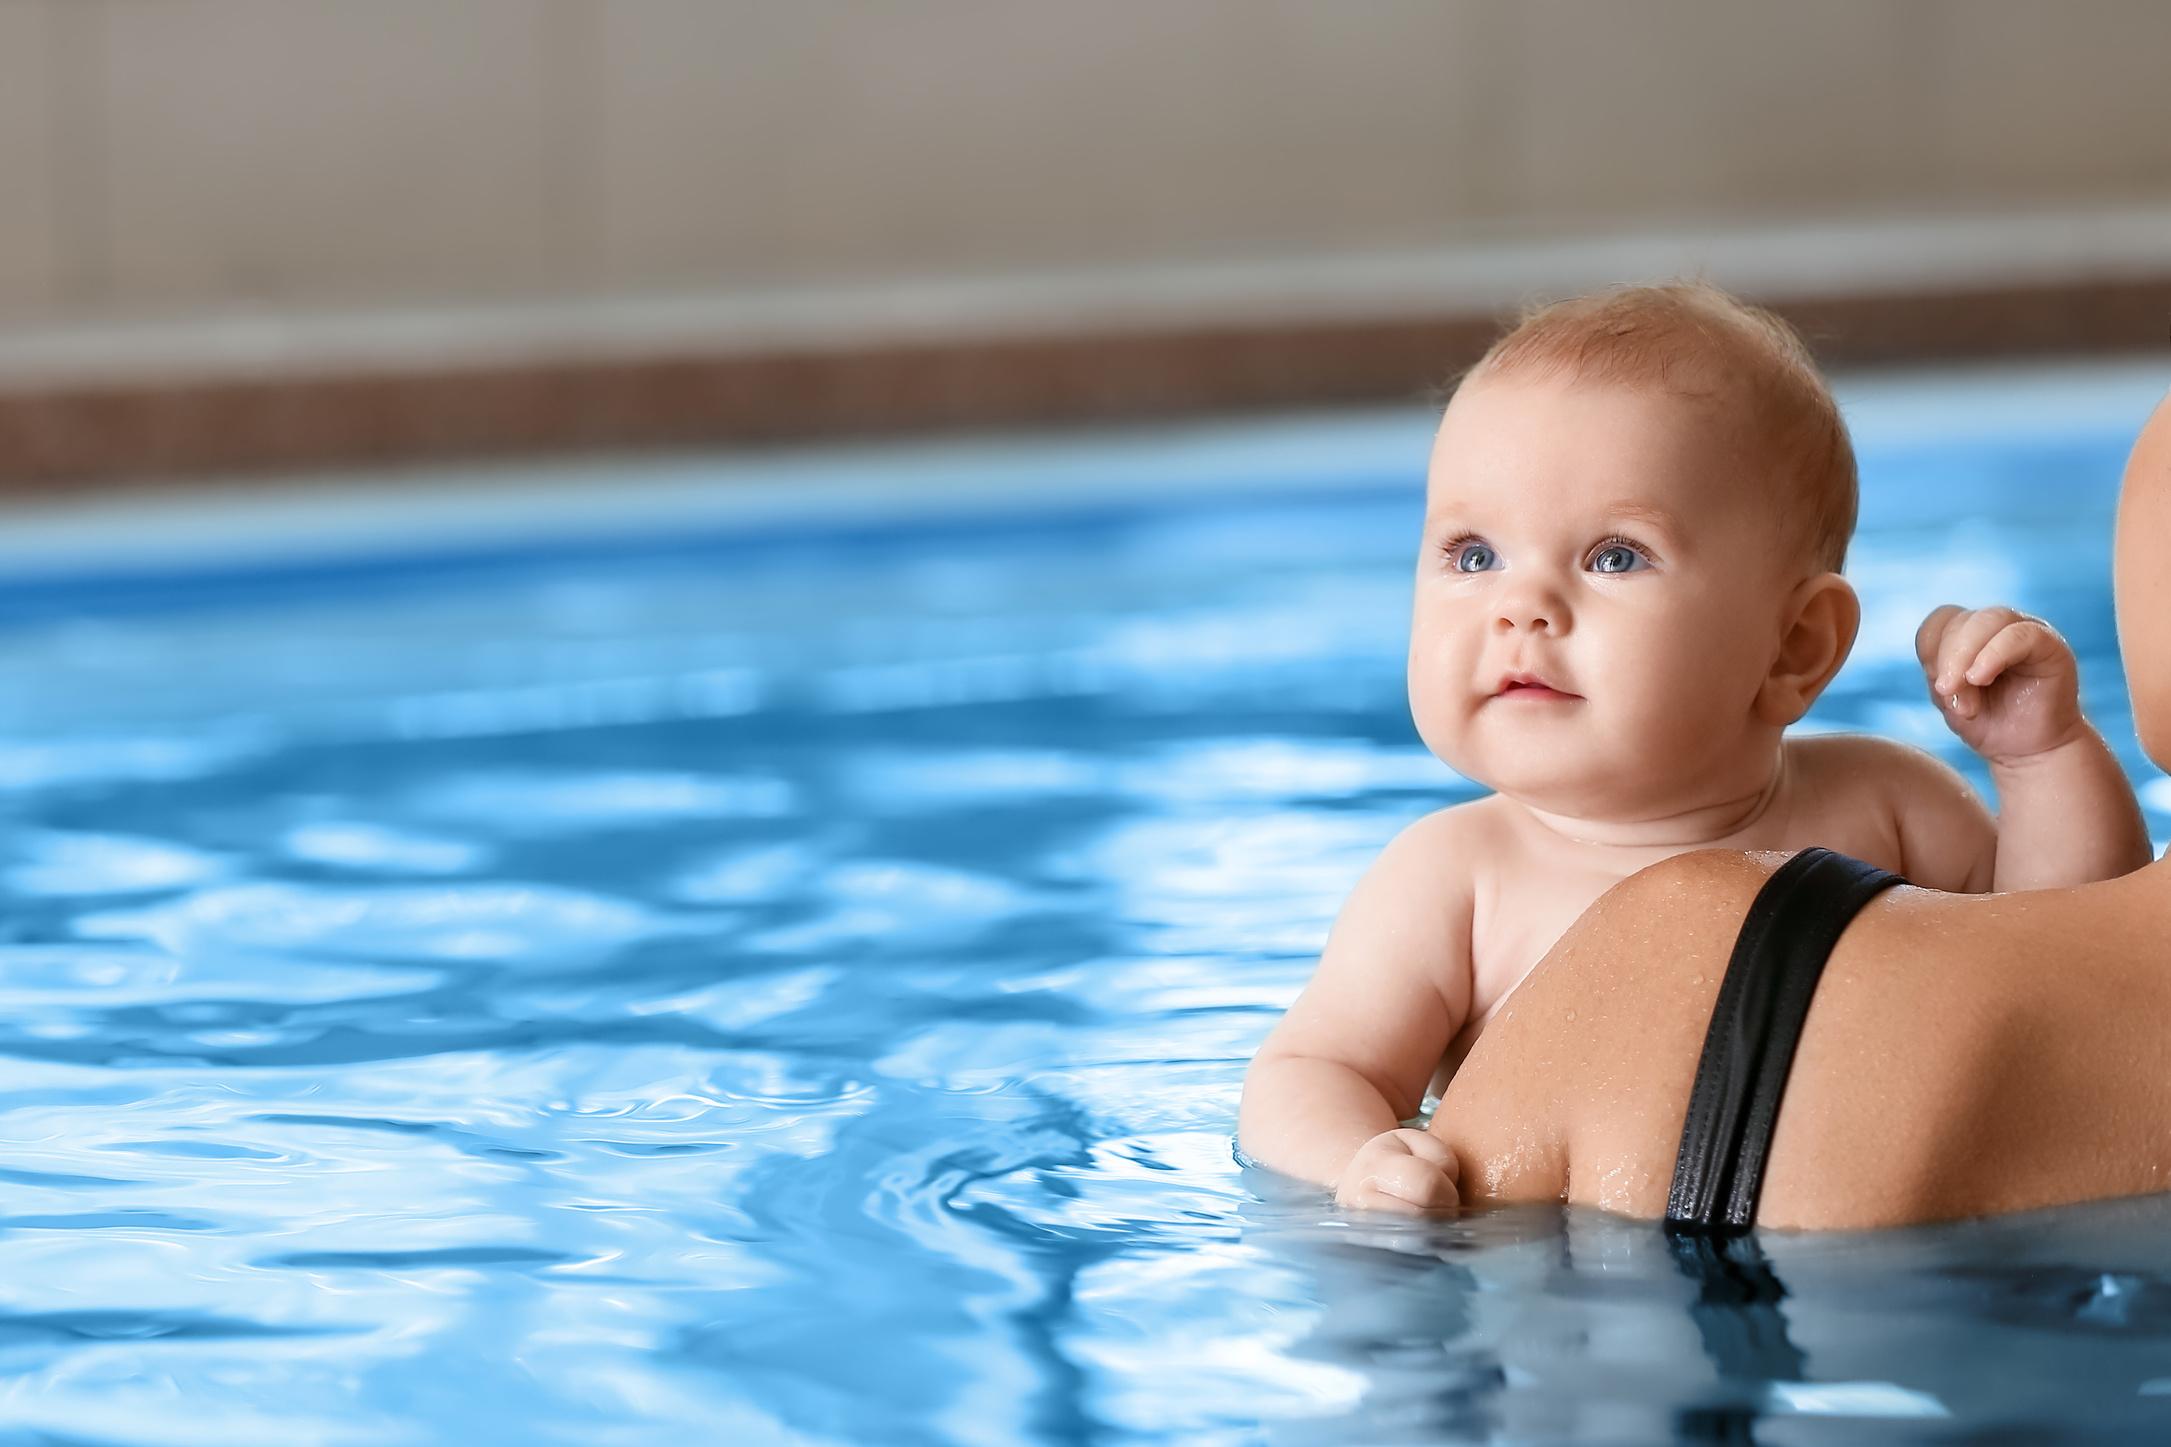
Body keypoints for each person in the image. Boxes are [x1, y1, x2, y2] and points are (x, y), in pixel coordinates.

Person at [1238, 284, 2153, 1213]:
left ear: (1793, 645)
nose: (1520, 607)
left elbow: (2072, 956)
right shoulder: (1454, 878)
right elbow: (1308, 1070)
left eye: (1614, 555)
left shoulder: (1886, 803)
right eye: (1473, 554)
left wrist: (2040, 759)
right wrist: (1362, 1164)